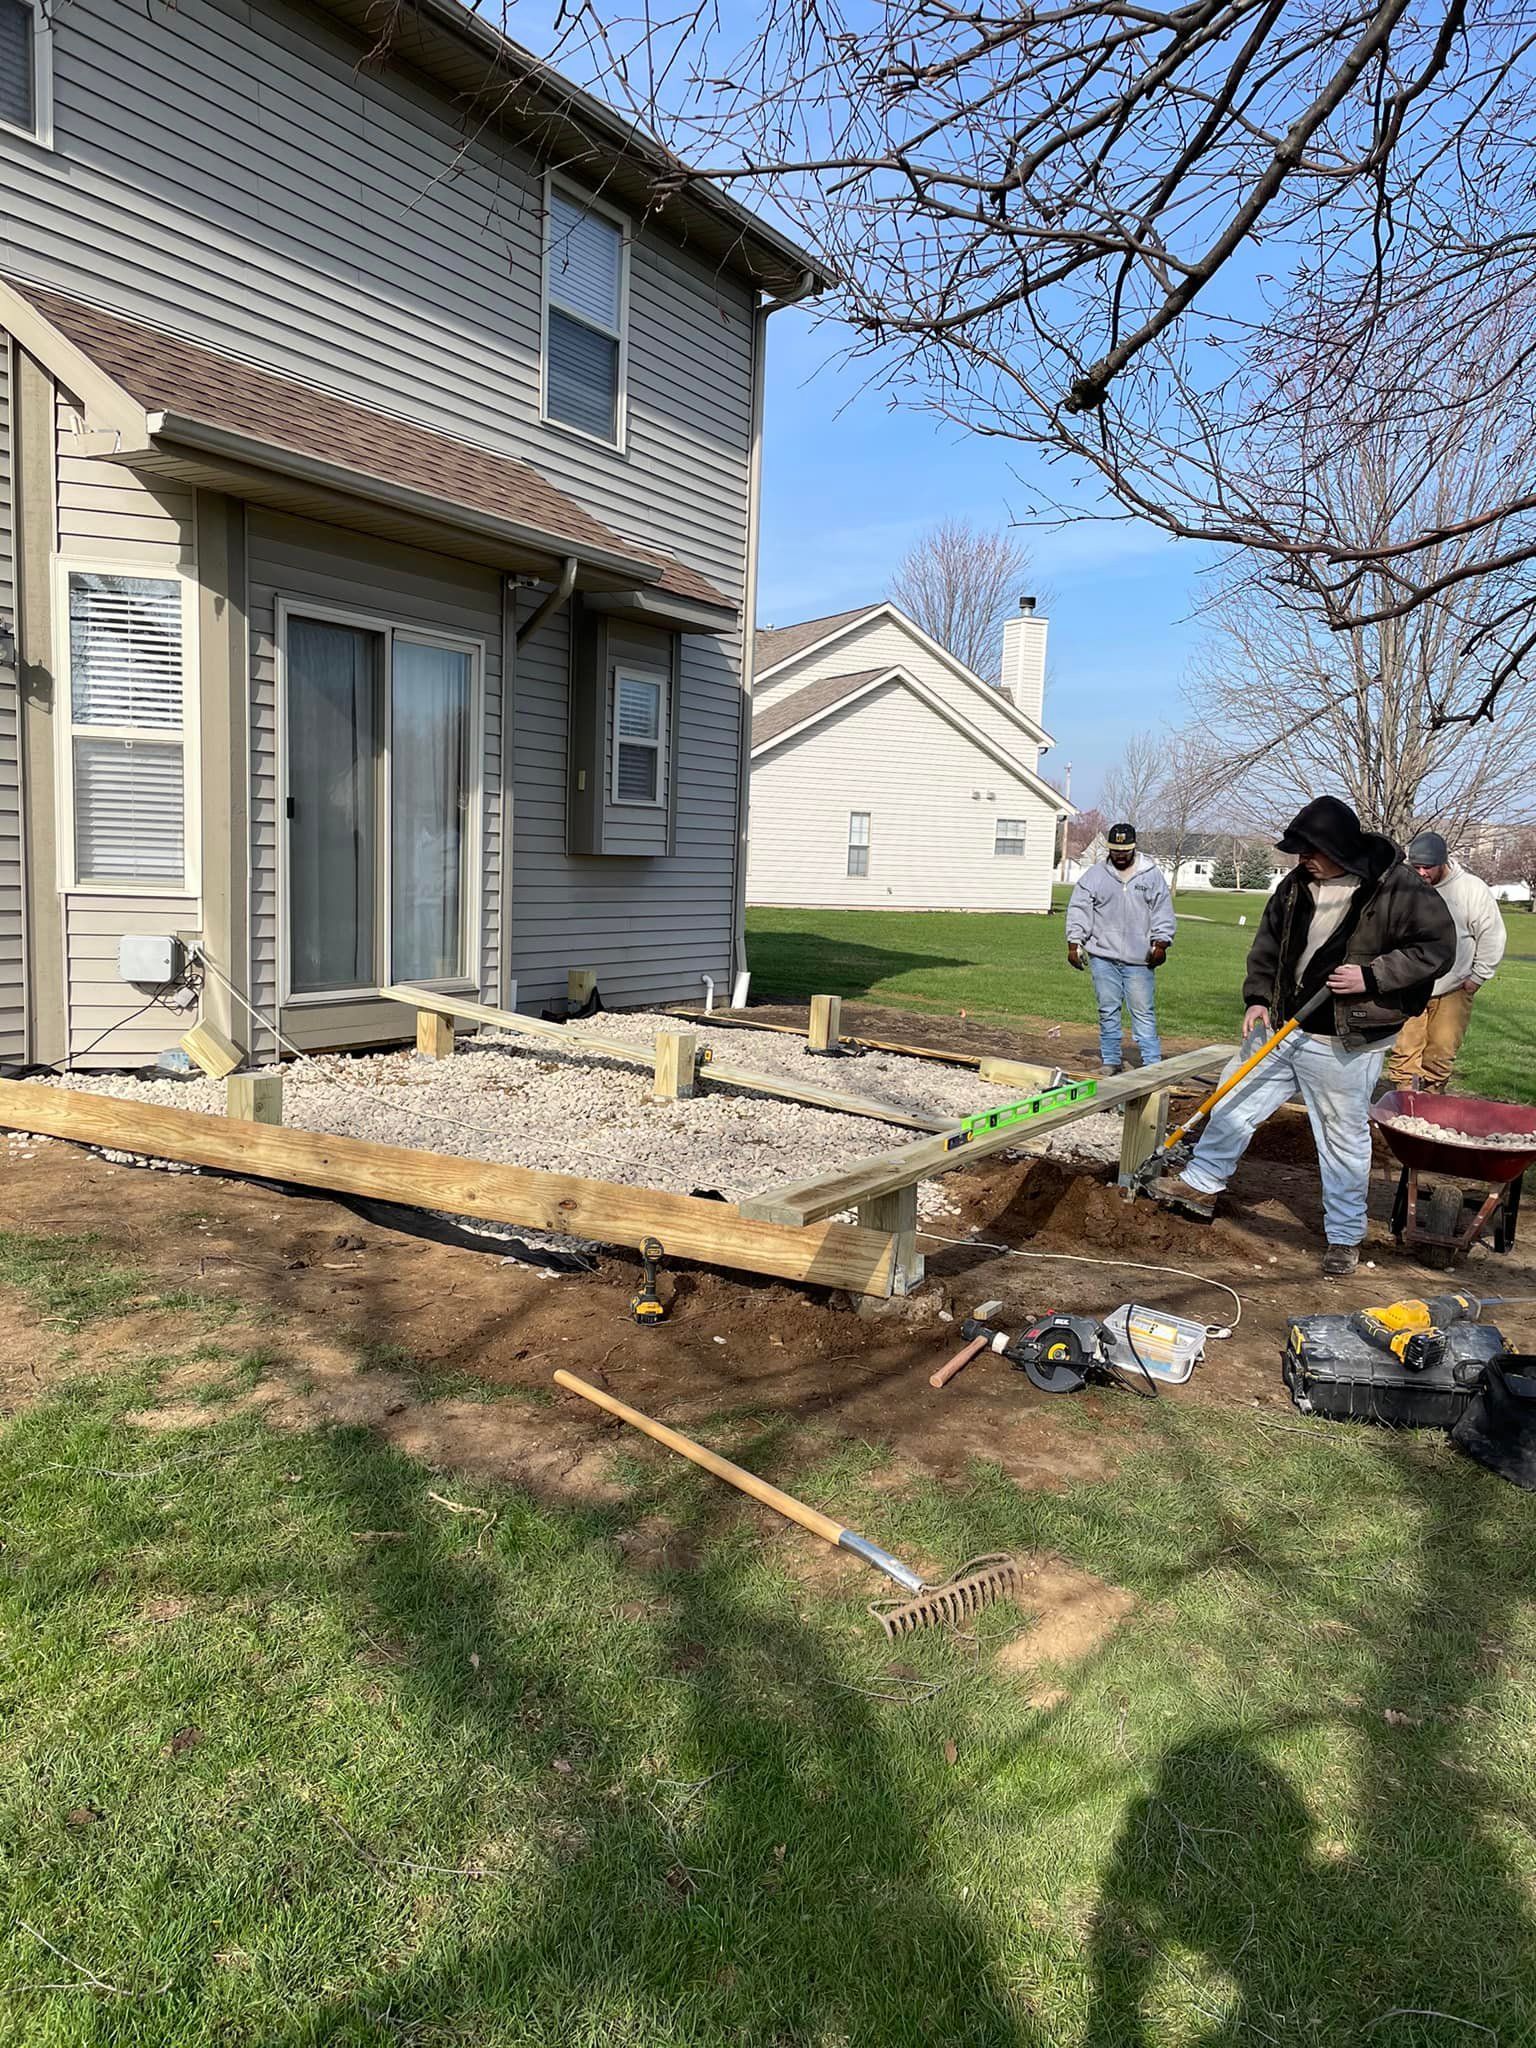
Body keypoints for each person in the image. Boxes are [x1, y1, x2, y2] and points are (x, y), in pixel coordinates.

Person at [1150, 796, 1455, 1278]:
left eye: (1308, 850)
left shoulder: (1397, 888)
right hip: (1280, 1023)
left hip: (1346, 1037)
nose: (1300, 859)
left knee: (1340, 1136)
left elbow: (1436, 949)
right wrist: (1256, 997)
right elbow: (1269, 944)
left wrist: (1372, 977)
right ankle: (1201, 1185)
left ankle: (1344, 1236)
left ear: (1336, 846)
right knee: (1234, 1099)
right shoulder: (1296, 885)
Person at [1385, 830, 1506, 1092]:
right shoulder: (1404, 888)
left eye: (1427, 867)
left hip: (1453, 987)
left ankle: (1431, 1102)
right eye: (1415, 866)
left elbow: (1492, 933)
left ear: (1443, 862)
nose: (1421, 873)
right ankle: (1405, 1105)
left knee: (1440, 1053)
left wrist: (1478, 976)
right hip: (1409, 985)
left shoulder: (1471, 890)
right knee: (1405, 1052)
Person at [1065, 822, 1176, 1076]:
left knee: (1143, 1012)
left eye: (1125, 851)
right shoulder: (1094, 876)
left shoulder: (1150, 875)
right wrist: (1074, 942)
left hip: (1140, 959)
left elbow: (1162, 911)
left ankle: (1151, 1063)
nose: (1120, 856)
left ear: (1134, 848)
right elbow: (1079, 910)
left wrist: (1161, 942)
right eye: (1115, 851)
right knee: (1107, 1009)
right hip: (1103, 956)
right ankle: (1110, 1060)